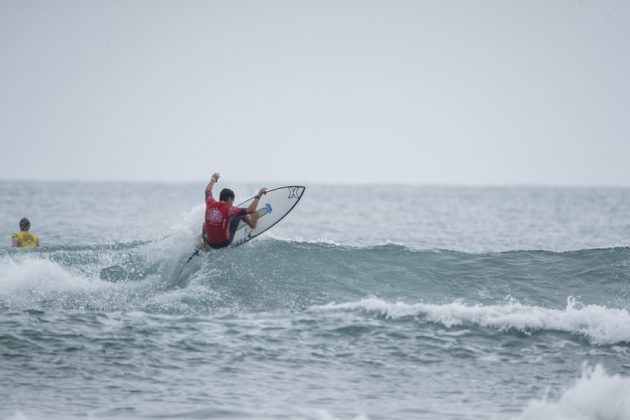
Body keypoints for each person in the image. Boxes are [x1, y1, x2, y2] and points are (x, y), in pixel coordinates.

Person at [202, 172, 267, 249]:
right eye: (232, 201)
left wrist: (213, 179)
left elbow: (207, 190)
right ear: (229, 199)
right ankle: (252, 224)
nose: (233, 203)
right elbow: (251, 210)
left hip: (211, 243)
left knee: (204, 224)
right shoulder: (230, 209)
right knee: (239, 214)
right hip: (224, 242)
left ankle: (204, 244)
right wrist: (259, 195)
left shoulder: (210, 202)